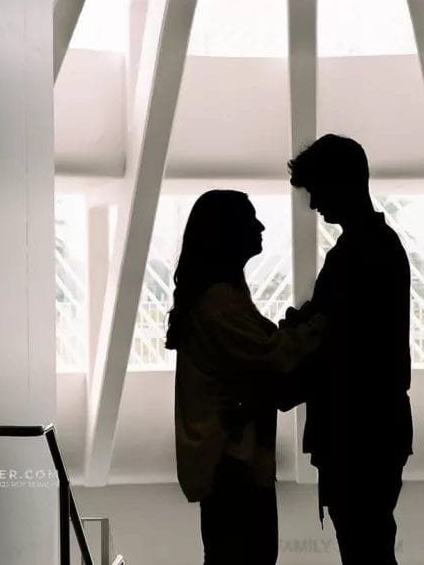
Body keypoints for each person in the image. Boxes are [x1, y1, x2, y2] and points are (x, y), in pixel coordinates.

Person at [166, 189, 325, 565]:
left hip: (228, 459)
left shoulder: (218, 296)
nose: (260, 225)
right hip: (232, 461)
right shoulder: (220, 301)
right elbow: (273, 354)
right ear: (226, 233)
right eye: (250, 218)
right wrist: (320, 324)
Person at [282, 134, 413, 565]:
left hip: (356, 430)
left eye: (317, 190)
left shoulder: (358, 253)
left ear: (341, 183)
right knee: (369, 545)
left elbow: (345, 346)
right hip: (371, 428)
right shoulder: (376, 247)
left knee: (363, 547)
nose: (314, 204)